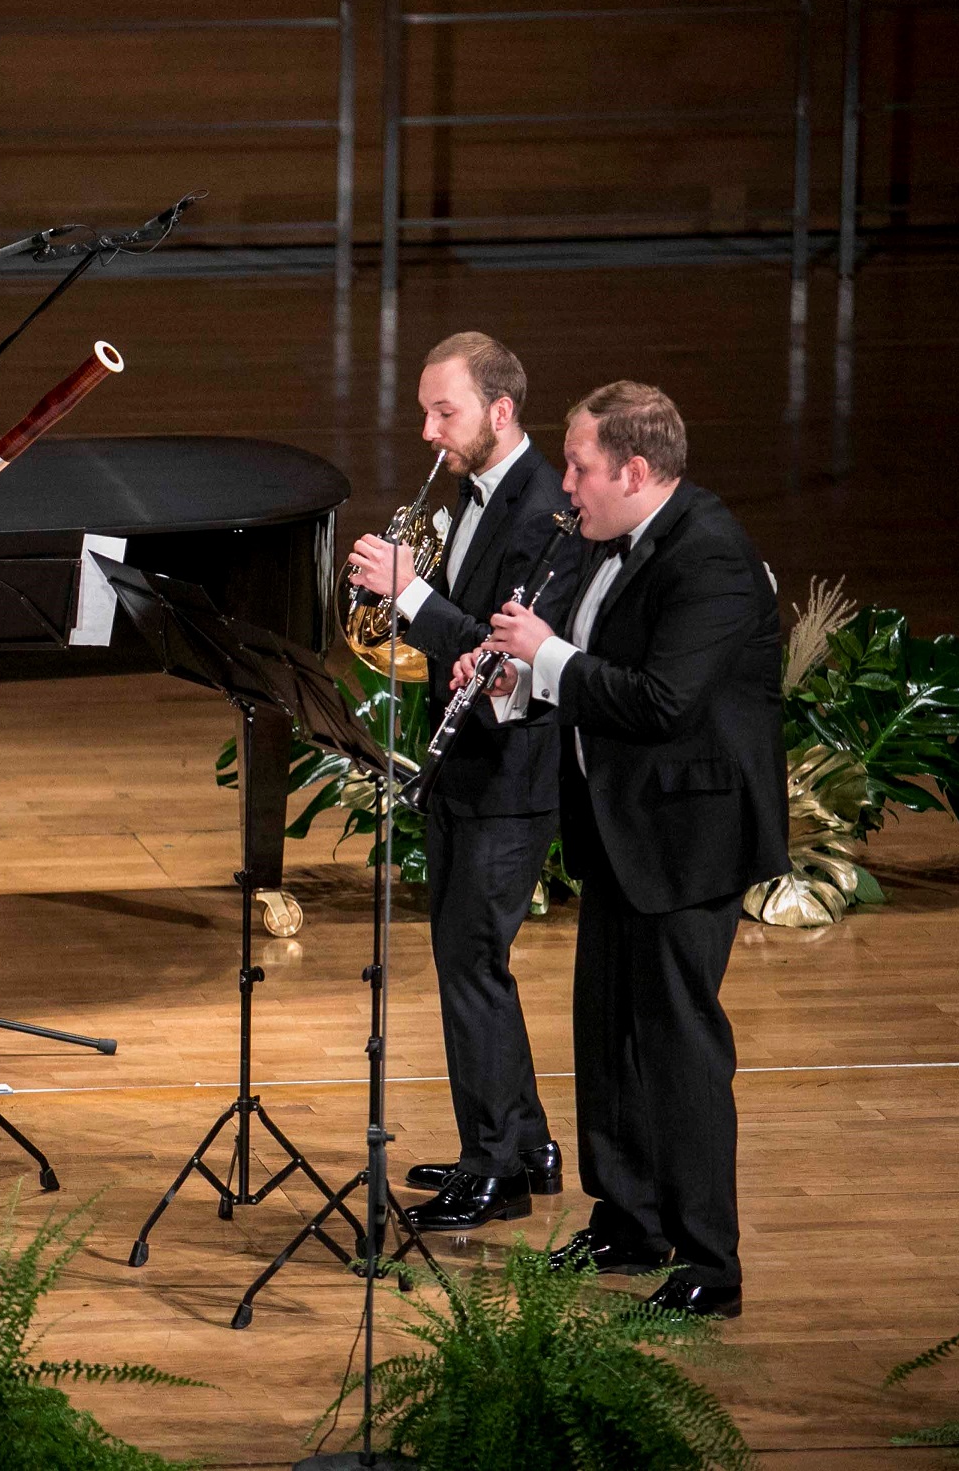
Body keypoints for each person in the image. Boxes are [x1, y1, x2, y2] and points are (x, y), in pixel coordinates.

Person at [482, 380, 786, 1317]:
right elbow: (590, 677)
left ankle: (709, 1261)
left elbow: (657, 701)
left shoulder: (713, 559)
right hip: (622, 827)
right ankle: (629, 1218)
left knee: (679, 1049)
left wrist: (544, 655)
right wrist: (519, 673)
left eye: (578, 466)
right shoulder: (609, 542)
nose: (564, 483)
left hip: (687, 837)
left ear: (636, 470)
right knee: (607, 1032)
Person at [346, 332, 581, 1232]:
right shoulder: (473, 493)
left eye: (444, 413)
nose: (429, 433)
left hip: (510, 780)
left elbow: (508, 648)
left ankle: (496, 1171)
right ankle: (525, 1142)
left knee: (470, 967)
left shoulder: (545, 513)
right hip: (469, 766)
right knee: (473, 964)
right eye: (424, 413)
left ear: (501, 411)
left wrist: (411, 594)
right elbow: (477, 645)